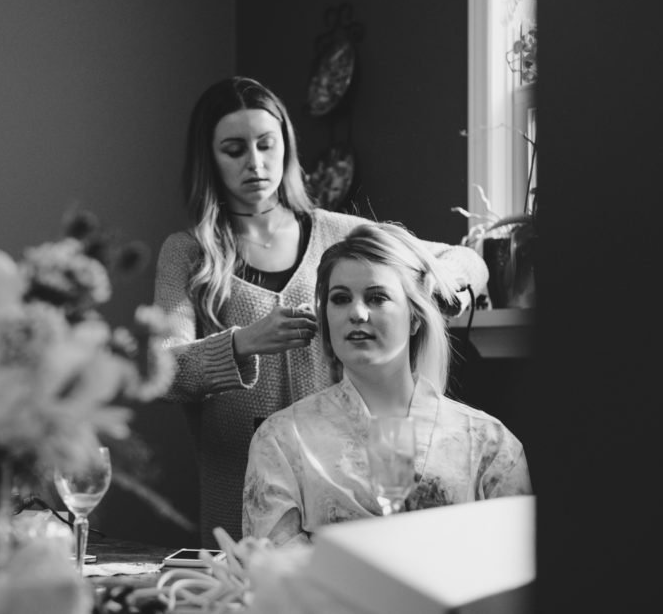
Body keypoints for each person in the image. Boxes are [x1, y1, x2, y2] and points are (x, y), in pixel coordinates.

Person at [153, 76, 489, 546]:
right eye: (234, 149)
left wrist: (430, 287)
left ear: (286, 148)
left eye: (267, 145)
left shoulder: (340, 233)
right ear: (209, 158)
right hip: (235, 489)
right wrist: (243, 342)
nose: (255, 163)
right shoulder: (188, 253)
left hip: (341, 485)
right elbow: (160, 369)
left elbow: (468, 260)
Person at [241, 222, 531, 546]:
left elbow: (514, 565)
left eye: (377, 297)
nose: (357, 313)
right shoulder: (281, 440)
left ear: (415, 317)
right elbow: (275, 575)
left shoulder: (490, 445)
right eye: (340, 299)